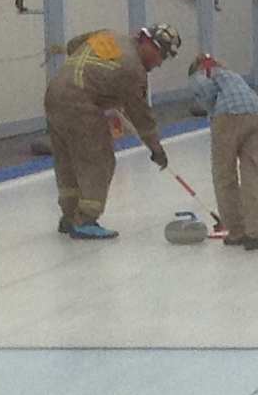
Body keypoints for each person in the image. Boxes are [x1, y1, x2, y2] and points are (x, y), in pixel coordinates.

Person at [45, 24, 181, 239]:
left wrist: (101, 79)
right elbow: (141, 116)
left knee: (68, 159)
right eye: (161, 55)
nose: (159, 63)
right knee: (98, 159)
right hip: (80, 102)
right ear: (149, 44)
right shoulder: (133, 70)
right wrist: (156, 148)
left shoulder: (109, 35)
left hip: (55, 93)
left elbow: (73, 45)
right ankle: (86, 218)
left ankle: (70, 215)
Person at [188, 54, 258, 251]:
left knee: (224, 176)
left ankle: (236, 230)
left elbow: (205, 94)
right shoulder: (233, 75)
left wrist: (207, 108)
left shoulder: (200, 75)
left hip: (227, 118)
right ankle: (257, 230)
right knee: (254, 174)